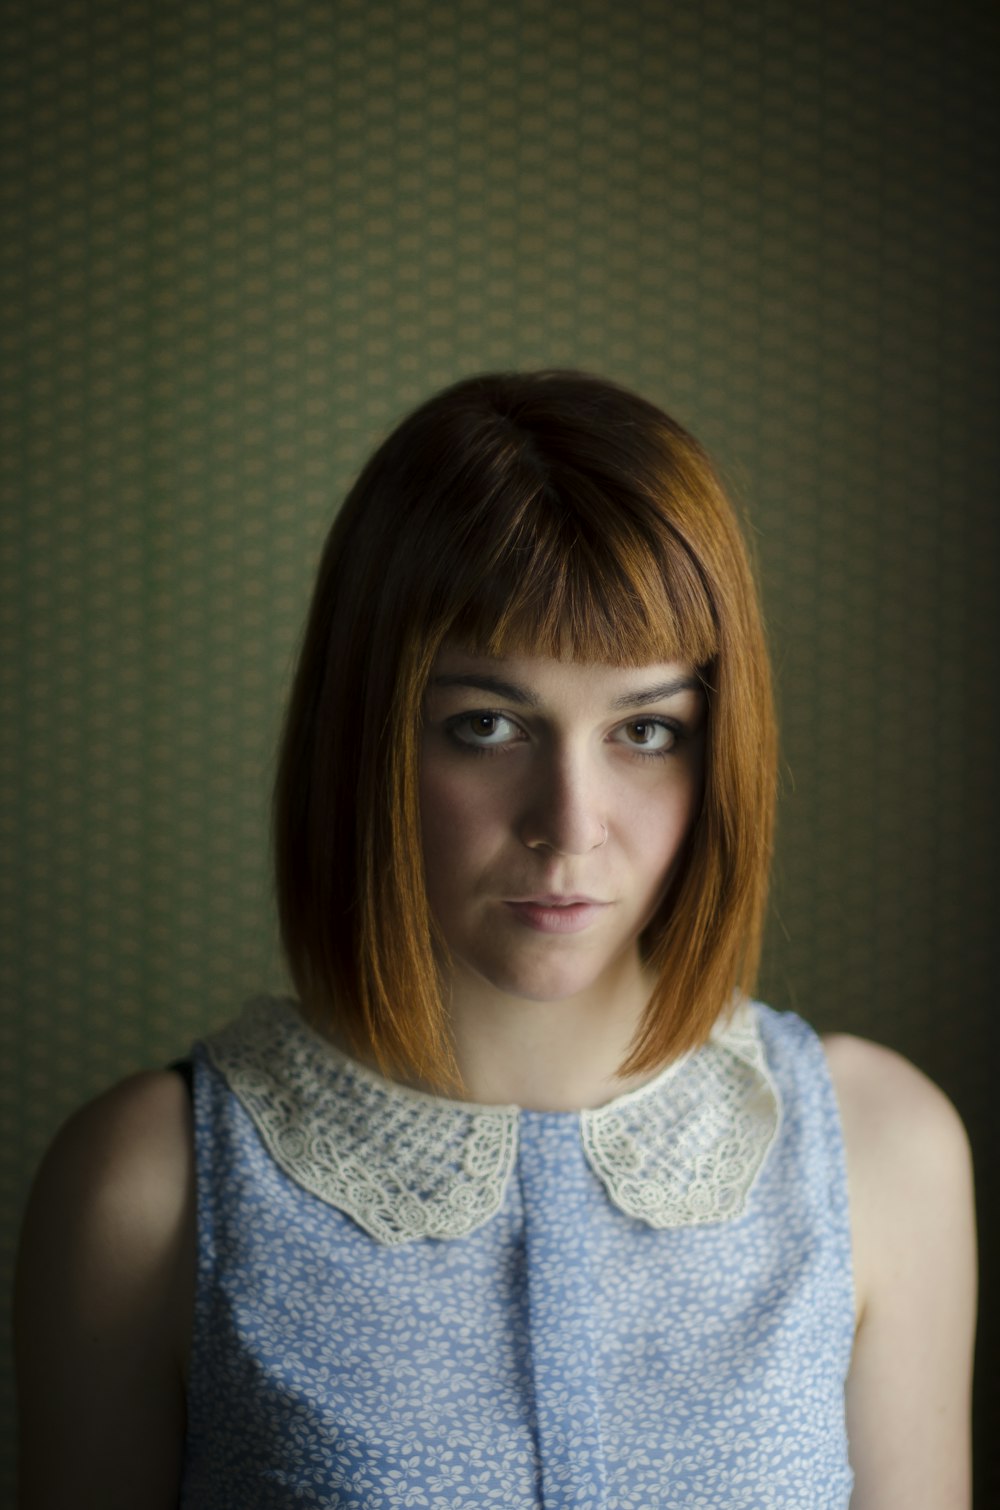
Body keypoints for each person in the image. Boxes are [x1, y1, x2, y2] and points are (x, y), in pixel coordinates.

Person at [15, 371, 976, 1508]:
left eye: (647, 729)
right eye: (485, 726)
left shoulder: (880, 1153)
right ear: (365, 732)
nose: (568, 825)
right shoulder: (147, 1186)